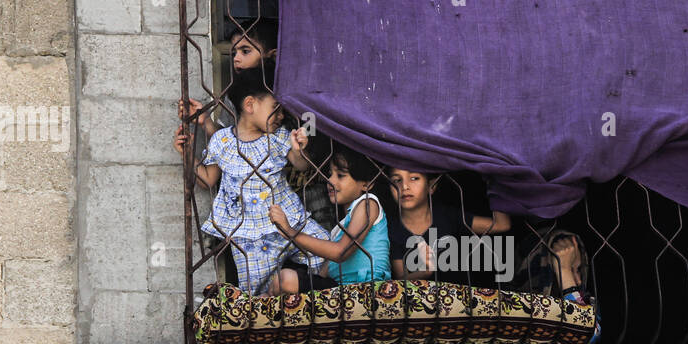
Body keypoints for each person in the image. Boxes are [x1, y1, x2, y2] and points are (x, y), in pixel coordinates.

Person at [174, 63, 329, 294]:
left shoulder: (278, 137)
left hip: (288, 221)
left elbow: (301, 165)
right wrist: (187, 155)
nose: (281, 115)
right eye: (275, 108)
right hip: (249, 238)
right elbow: (207, 179)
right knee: (256, 294)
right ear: (250, 105)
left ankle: (321, 303)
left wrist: (300, 149)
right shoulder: (222, 141)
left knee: (325, 249)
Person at [268, 144, 391, 293]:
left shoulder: (368, 203)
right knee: (281, 281)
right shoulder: (339, 229)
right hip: (341, 290)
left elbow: (341, 252)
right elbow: (323, 273)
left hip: (368, 289)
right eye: (329, 174)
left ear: (367, 183)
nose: (330, 181)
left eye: (340, 175)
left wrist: (291, 232)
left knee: (286, 279)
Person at [384, 166, 511, 283]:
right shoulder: (392, 229)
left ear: (431, 186)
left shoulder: (448, 216)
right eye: (396, 180)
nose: (405, 186)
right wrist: (425, 271)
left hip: (460, 297)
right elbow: (400, 280)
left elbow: (501, 225)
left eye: (414, 178)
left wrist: (495, 185)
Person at [179, 21, 277, 137]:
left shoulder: (282, 91)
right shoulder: (235, 92)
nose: (236, 58)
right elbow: (226, 139)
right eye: (234, 53)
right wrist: (205, 120)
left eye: (245, 51)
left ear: (272, 56)